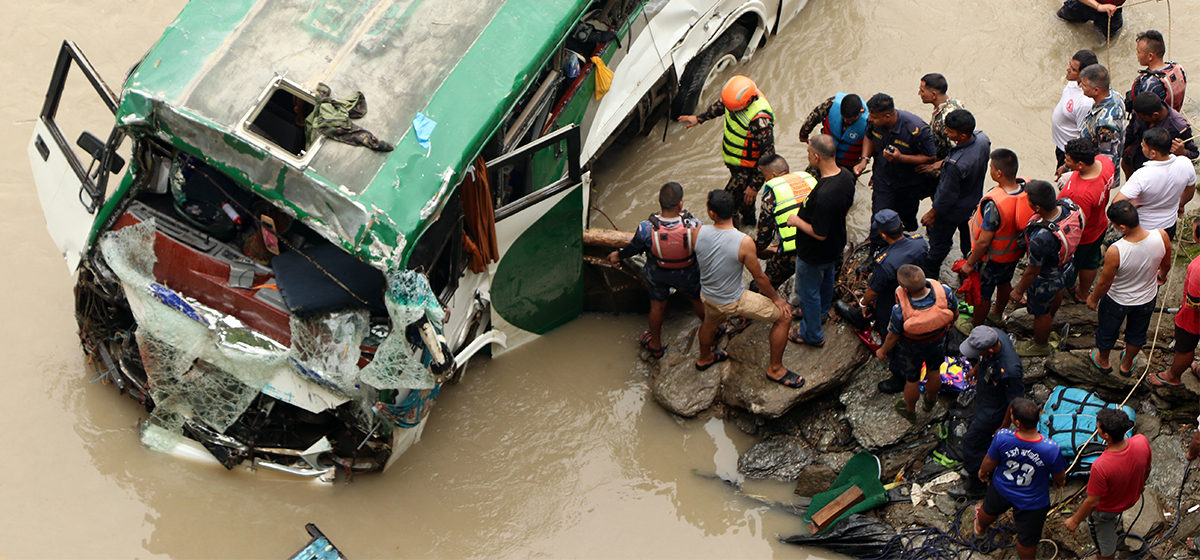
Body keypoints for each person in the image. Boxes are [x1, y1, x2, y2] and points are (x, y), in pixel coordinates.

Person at [692, 190, 799, 387]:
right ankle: (775, 369)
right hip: (733, 301)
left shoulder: (698, 232)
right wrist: (777, 299)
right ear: (734, 211)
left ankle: (704, 358)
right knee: (784, 317)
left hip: (707, 295)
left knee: (709, 323)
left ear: (711, 212)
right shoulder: (744, 242)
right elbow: (759, 277)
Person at [608, 183, 706, 358]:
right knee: (697, 301)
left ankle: (655, 345)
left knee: (657, 307)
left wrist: (618, 255)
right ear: (681, 204)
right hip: (688, 273)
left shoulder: (646, 228)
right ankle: (714, 328)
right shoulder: (694, 225)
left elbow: (633, 249)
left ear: (659, 202)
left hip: (658, 274)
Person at [974, 398, 1067, 560]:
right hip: (1033, 501)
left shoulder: (1003, 437)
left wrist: (983, 471)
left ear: (1017, 422)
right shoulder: (1051, 448)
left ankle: (979, 529)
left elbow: (990, 461)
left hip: (1002, 487)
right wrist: (1060, 483)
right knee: (1028, 540)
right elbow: (1059, 475)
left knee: (988, 509)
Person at [1087, 201, 1171, 375]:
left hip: (1117, 299)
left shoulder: (1116, 250)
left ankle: (1103, 361)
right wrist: (1161, 275)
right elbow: (1166, 262)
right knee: (1137, 332)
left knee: (1107, 329)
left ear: (1123, 227)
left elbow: (1105, 282)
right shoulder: (1161, 236)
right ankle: (1126, 365)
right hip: (1147, 298)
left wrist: (1093, 298)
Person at [678, 75, 775, 226]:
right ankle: (749, 224)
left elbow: (768, 156)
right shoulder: (734, 100)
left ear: (748, 102)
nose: (730, 109)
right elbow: (721, 106)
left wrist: (754, 186)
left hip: (748, 170)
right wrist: (699, 118)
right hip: (736, 163)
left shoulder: (760, 122)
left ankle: (733, 234)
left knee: (726, 204)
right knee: (744, 200)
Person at [789, 134, 856, 347]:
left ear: (816, 157)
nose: (808, 156)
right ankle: (822, 312)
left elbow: (819, 233)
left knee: (807, 292)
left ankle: (812, 334)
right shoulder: (845, 175)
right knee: (827, 279)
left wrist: (796, 221)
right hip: (835, 244)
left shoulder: (825, 194)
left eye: (809, 153)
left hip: (814, 251)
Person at [960, 149, 1035, 331]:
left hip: (991, 259)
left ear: (998, 173)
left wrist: (970, 263)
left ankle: (976, 327)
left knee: (982, 294)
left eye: (991, 167)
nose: (990, 170)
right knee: (1004, 282)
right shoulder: (1027, 189)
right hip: (1013, 254)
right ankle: (997, 314)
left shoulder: (995, 204)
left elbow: (984, 241)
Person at [1063, 409, 1152, 560]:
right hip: (1131, 499)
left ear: (1106, 435)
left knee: (1104, 546)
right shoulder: (1141, 441)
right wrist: (1140, 486)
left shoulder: (1100, 466)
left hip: (1106, 512)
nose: (1096, 429)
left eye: (1098, 427)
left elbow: (1092, 501)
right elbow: (1147, 469)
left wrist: (1074, 520)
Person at [873, 264, 956, 422]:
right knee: (934, 371)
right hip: (938, 341)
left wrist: (882, 351)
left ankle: (910, 411)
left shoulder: (899, 310)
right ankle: (930, 402)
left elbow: (893, 336)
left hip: (911, 348)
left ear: (905, 289)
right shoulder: (945, 292)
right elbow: (955, 312)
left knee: (912, 380)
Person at [950, 325, 1025, 498]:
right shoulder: (993, 335)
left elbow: (1015, 401)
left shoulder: (1010, 369)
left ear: (990, 348)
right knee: (980, 438)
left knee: (971, 441)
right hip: (985, 396)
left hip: (995, 409)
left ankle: (976, 485)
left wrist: (1005, 425)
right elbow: (985, 359)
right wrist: (977, 368)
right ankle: (986, 462)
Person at [1011, 181, 1084, 357]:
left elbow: (1032, 271)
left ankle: (1039, 344)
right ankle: (1049, 316)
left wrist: (1018, 291)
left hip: (1046, 278)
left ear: (1037, 207)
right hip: (1066, 266)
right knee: (1055, 293)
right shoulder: (1069, 206)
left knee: (1040, 313)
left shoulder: (1041, 237)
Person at [854, 93, 936, 243]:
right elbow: (869, 136)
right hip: (883, 178)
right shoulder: (874, 122)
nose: (870, 119)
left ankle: (905, 246)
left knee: (906, 220)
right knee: (879, 218)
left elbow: (931, 157)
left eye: (874, 116)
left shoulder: (916, 129)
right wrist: (864, 160)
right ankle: (876, 250)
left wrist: (901, 158)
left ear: (887, 117)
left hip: (908, 183)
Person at [921, 109, 990, 279]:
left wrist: (932, 213)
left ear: (963, 135)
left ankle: (931, 278)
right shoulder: (982, 140)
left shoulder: (955, 166)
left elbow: (946, 197)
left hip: (951, 212)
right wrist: (942, 163)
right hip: (973, 206)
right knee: (970, 245)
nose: (945, 133)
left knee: (938, 247)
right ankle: (969, 276)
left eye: (950, 131)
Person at [858, 209, 930, 368]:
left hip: (890, 302)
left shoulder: (885, 263)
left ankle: (894, 364)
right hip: (916, 293)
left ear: (883, 235)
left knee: (888, 331)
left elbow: (873, 291)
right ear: (901, 225)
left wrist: (864, 303)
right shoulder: (920, 242)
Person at [1113, 128, 1198, 239]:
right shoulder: (1185, 163)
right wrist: (1180, 204)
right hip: (1169, 225)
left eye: (1143, 146)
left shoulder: (1142, 175)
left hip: (1144, 228)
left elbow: (1116, 204)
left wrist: (1135, 204)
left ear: (1153, 153)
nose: (1141, 146)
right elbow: (1190, 190)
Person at [1059, 138, 1115, 301]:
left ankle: (1068, 286)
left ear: (1081, 165)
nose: (1065, 162)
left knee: (1073, 265)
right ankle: (1083, 293)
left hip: (1080, 237)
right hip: (1099, 225)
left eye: (1068, 160)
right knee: (1091, 261)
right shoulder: (1104, 162)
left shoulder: (1082, 194)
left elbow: (1075, 224)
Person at [753, 154, 817, 290]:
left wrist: (754, 249)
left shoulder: (772, 192)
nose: (765, 180)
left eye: (765, 176)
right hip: (820, 242)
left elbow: (763, 237)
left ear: (774, 174)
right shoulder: (808, 178)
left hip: (795, 250)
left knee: (763, 285)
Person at [1151, 218, 1200, 387]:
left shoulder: (1197, 268)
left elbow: (1194, 302)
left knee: (1185, 346)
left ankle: (1173, 377)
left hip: (1193, 317)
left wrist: (1182, 313)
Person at [1123, 92, 1198, 176]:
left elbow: (1194, 155)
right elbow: (1129, 133)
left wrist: (1183, 152)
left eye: (1142, 117)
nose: (1138, 118)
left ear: (1155, 115)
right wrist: (1124, 148)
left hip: (1159, 174)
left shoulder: (1179, 128)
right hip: (1136, 161)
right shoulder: (1140, 113)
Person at [1077, 64, 1127, 186]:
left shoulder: (1106, 124)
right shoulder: (1114, 95)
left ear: (1096, 90)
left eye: (1084, 85)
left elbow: (1106, 159)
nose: (1080, 86)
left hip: (1094, 176)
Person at [797, 93, 869, 170]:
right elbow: (815, 115)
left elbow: (874, 147)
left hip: (847, 166)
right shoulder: (832, 104)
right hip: (824, 154)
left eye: (849, 120)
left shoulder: (870, 121)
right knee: (809, 177)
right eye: (843, 118)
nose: (845, 121)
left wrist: (864, 163)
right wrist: (803, 134)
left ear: (861, 111)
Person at [1053, 50, 1099, 169]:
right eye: (1069, 65)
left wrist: (1068, 165)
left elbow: (1083, 136)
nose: (1068, 69)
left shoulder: (1085, 101)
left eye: (1073, 69)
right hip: (1060, 145)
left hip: (1070, 156)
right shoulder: (1073, 82)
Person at [1127, 29, 1188, 112]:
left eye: (1139, 52)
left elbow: (1144, 115)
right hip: (1174, 117)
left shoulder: (1148, 84)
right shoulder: (1178, 69)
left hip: (1156, 124)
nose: (1137, 54)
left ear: (1150, 56)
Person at [917, 73, 967, 169]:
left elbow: (960, 151)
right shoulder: (956, 103)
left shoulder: (945, 119)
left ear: (933, 95)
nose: (919, 93)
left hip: (944, 169)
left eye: (922, 91)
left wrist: (936, 166)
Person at [1056, 0, 1126, 38]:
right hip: (1087, 3)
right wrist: (1098, 6)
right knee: (1060, 18)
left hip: (1111, 9)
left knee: (1111, 35)